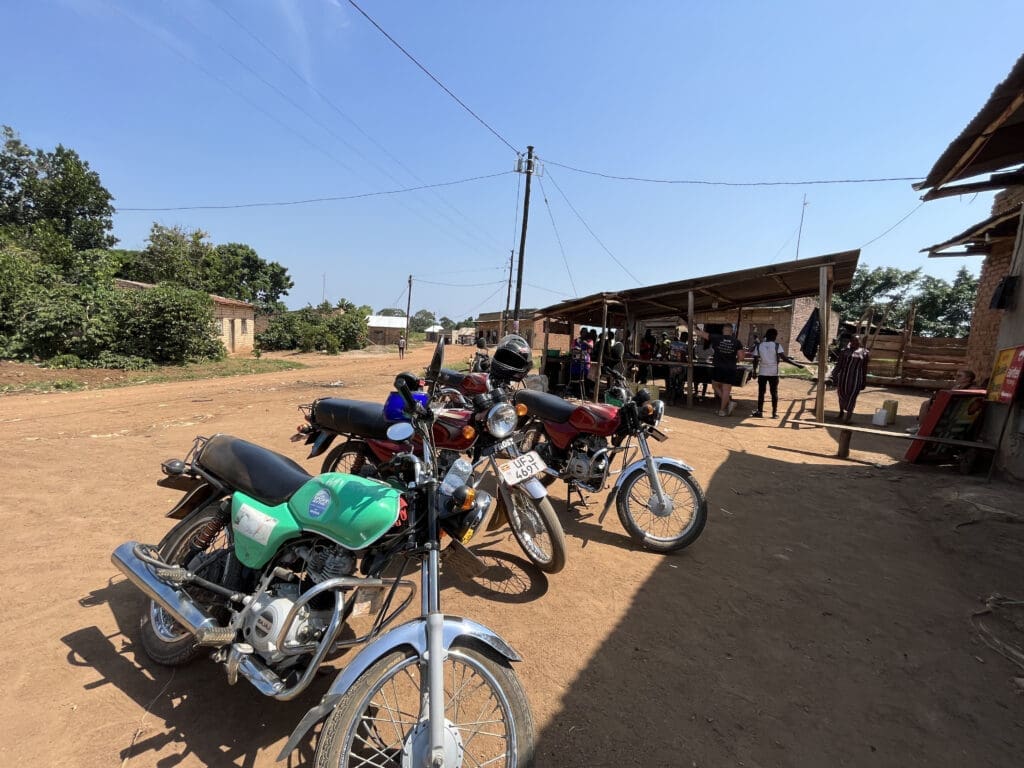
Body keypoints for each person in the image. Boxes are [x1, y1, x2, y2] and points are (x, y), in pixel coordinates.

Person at [750, 328, 803, 418]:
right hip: (773, 373)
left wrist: (754, 371)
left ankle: (759, 412)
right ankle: (774, 413)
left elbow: (755, 360)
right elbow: (785, 359)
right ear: (774, 336)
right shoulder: (777, 346)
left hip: (762, 372)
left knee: (761, 392)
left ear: (766, 336)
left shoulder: (759, 346)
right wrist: (797, 365)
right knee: (774, 393)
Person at [698, 323, 745, 416]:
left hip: (718, 367)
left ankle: (728, 404)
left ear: (723, 330)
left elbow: (701, 334)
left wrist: (687, 325)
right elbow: (741, 357)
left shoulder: (717, 338)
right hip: (731, 368)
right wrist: (735, 359)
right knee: (726, 390)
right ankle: (722, 410)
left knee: (715, 385)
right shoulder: (737, 342)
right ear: (732, 332)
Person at [831, 334, 869, 423]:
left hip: (856, 380)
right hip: (843, 379)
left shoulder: (864, 352)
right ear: (850, 342)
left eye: (857, 341)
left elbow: (864, 368)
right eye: (853, 341)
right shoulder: (844, 351)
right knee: (841, 395)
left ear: (860, 342)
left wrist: (864, 381)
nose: (855, 342)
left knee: (852, 397)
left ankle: (848, 417)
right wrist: (834, 376)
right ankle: (841, 413)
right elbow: (838, 365)